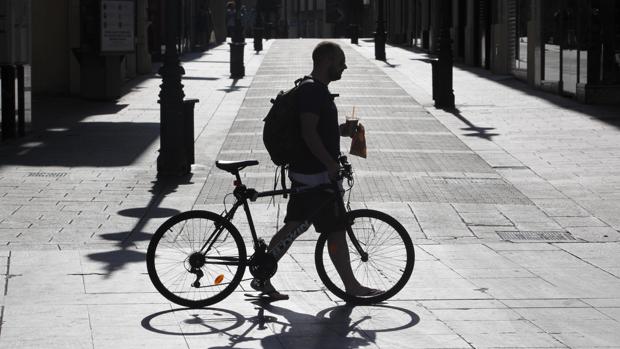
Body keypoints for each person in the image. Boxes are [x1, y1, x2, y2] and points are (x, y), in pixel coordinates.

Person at [251, 41, 382, 300]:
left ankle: (261, 274)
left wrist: (343, 131)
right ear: (326, 61)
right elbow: (308, 133)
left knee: (299, 225)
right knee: (334, 228)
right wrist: (331, 164)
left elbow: (318, 130)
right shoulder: (313, 92)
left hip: (310, 171)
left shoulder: (315, 90)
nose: (344, 66)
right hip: (315, 174)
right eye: (341, 60)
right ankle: (352, 287)